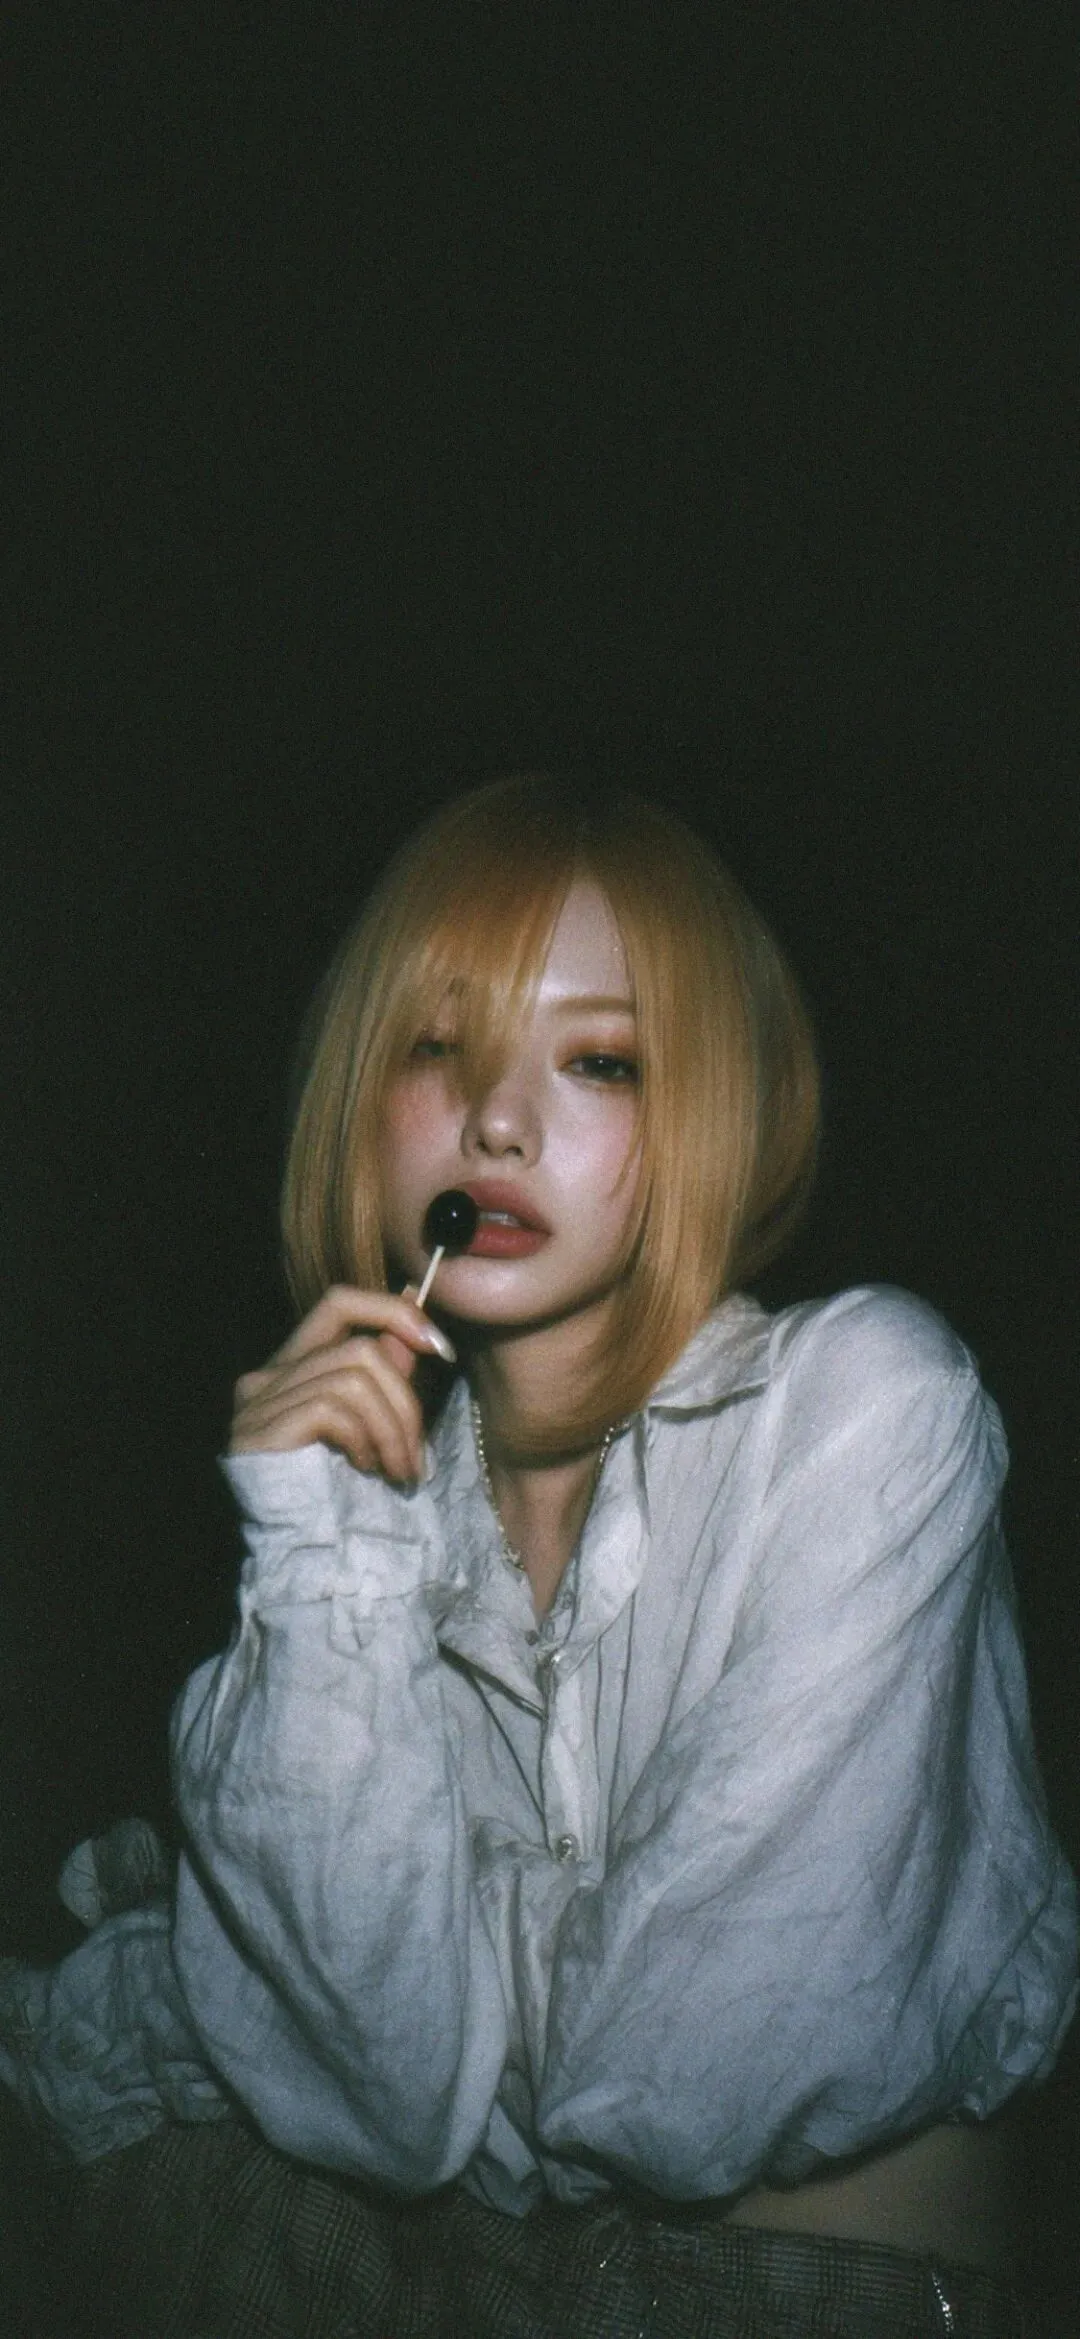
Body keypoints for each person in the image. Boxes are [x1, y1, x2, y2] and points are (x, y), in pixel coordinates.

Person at [1, 775, 1076, 2338]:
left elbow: (687, 2075)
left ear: (710, 1107)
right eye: (437, 1047)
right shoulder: (368, 1549)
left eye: (600, 1058)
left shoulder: (867, 1406)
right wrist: (318, 1548)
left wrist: (231, 1971)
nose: (498, 1119)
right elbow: (386, 2099)